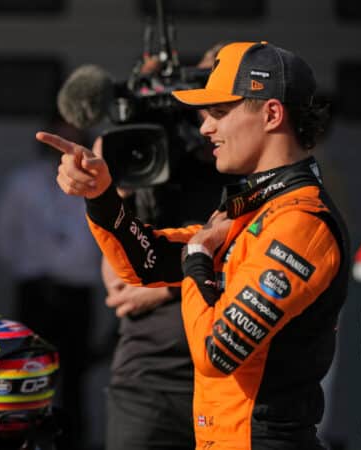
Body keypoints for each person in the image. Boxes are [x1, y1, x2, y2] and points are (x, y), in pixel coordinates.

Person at [37, 41, 349, 449]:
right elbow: (148, 264)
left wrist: (199, 255)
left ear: (272, 114)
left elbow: (215, 351)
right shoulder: (256, 208)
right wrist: (102, 195)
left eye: (219, 112)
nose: (204, 127)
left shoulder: (301, 224)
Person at [101, 45, 237, 450]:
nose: (208, 119)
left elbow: (265, 264)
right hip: (148, 380)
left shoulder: (254, 173)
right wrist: (114, 192)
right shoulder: (154, 163)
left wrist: (163, 286)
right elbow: (118, 285)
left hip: (231, 383)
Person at [0, 117, 99, 449]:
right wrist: (29, 266)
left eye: (73, 135)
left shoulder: (96, 182)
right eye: (59, 134)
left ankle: (73, 442)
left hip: (78, 291)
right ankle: (27, 441)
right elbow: (1, 233)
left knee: (76, 376)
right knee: (29, 373)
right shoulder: (24, 181)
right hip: (37, 290)